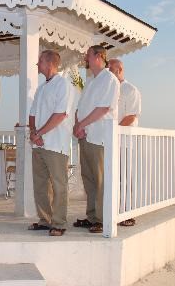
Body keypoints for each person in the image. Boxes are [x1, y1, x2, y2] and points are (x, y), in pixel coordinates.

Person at [73, 46, 120, 234]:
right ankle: (92, 216)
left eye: (89, 55)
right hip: (86, 135)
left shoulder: (109, 79)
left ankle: (101, 219)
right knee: (89, 179)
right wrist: (78, 125)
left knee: (100, 180)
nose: (86, 58)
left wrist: (82, 124)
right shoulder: (92, 81)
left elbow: (103, 109)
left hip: (99, 136)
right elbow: (81, 107)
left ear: (99, 57)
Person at [28, 50, 73, 236]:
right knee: (40, 185)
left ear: (48, 63)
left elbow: (61, 114)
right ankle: (45, 219)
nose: (37, 65)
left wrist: (39, 132)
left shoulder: (63, 84)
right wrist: (33, 132)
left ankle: (59, 222)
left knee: (58, 184)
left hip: (55, 143)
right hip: (39, 144)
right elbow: (32, 114)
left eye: (39, 61)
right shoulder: (41, 88)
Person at [109, 58, 142, 227]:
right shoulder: (109, 89)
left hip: (125, 142)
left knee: (125, 178)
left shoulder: (131, 90)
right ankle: (113, 211)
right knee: (112, 178)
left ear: (119, 69)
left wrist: (113, 132)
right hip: (110, 142)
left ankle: (128, 213)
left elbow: (131, 116)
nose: (108, 71)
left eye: (110, 68)